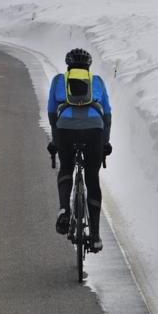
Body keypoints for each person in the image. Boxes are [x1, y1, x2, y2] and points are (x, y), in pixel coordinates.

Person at [46, 48, 112, 252]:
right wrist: (104, 143)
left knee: (66, 168)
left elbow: (51, 113)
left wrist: (56, 140)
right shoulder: (97, 81)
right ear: (88, 67)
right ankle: (95, 236)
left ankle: (64, 209)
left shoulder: (59, 81)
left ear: (68, 66)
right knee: (92, 178)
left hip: (65, 129)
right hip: (94, 130)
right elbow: (107, 115)